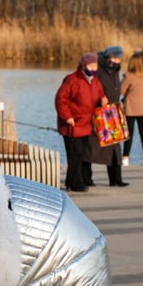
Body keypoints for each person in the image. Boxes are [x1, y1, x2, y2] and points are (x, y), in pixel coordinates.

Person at [56, 52, 108, 192]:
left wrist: (103, 101)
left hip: (87, 124)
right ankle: (76, 183)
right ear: (83, 65)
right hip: (72, 124)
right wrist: (67, 116)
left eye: (95, 65)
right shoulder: (73, 80)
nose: (94, 67)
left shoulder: (95, 81)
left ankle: (72, 182)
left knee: (80, 155)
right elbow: (61, 100)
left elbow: (100, 95)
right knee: (74, 155)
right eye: (91, 65)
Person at [88, 45, 128, 186]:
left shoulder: (115, 71)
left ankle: (116, 179)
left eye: (119, 58)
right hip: (100, 111)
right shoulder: (99, 70)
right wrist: (101, 98)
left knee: (115, 147)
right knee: (93, 146)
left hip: (114, 111)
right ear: (108, 57)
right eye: (115, 58)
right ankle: (87, 178)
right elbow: (93, 87)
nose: (117, 61)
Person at [120, 51, 143, 166]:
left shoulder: (128, 75)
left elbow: (122, 91)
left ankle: (125, 157)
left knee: (129, 132)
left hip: (131, 106)